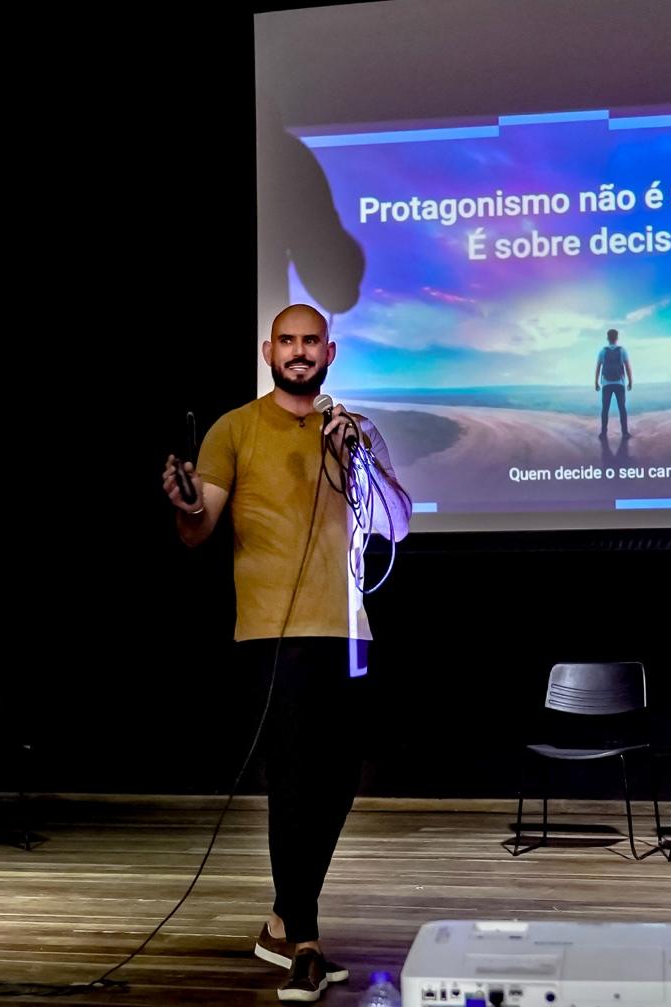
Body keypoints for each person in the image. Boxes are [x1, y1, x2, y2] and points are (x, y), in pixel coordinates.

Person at [161, 304, 411, 1003]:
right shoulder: (235, 428)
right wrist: (187, 505)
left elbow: (398, 525)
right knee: (296, 781)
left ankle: (282, 920)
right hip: (272, 632)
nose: (299, 351)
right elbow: (198, 530)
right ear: (268, 350)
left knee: (338, 782)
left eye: (311, 341)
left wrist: (359, 458)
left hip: (349, 630)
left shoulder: (357, 430)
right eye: (288, 341)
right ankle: (304, 941)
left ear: (330, 352)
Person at [594, 328, 633, 438]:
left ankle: (603, 433)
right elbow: (627, 367)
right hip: (620, 383)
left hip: (606, 384)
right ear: (617, 338)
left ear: (607, 338)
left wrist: (596, 382)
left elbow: (598, 368)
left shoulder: (602, 351)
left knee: (605, 408)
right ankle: (625, 433)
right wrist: (630, 381)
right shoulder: (622, 350)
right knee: (622, 408)